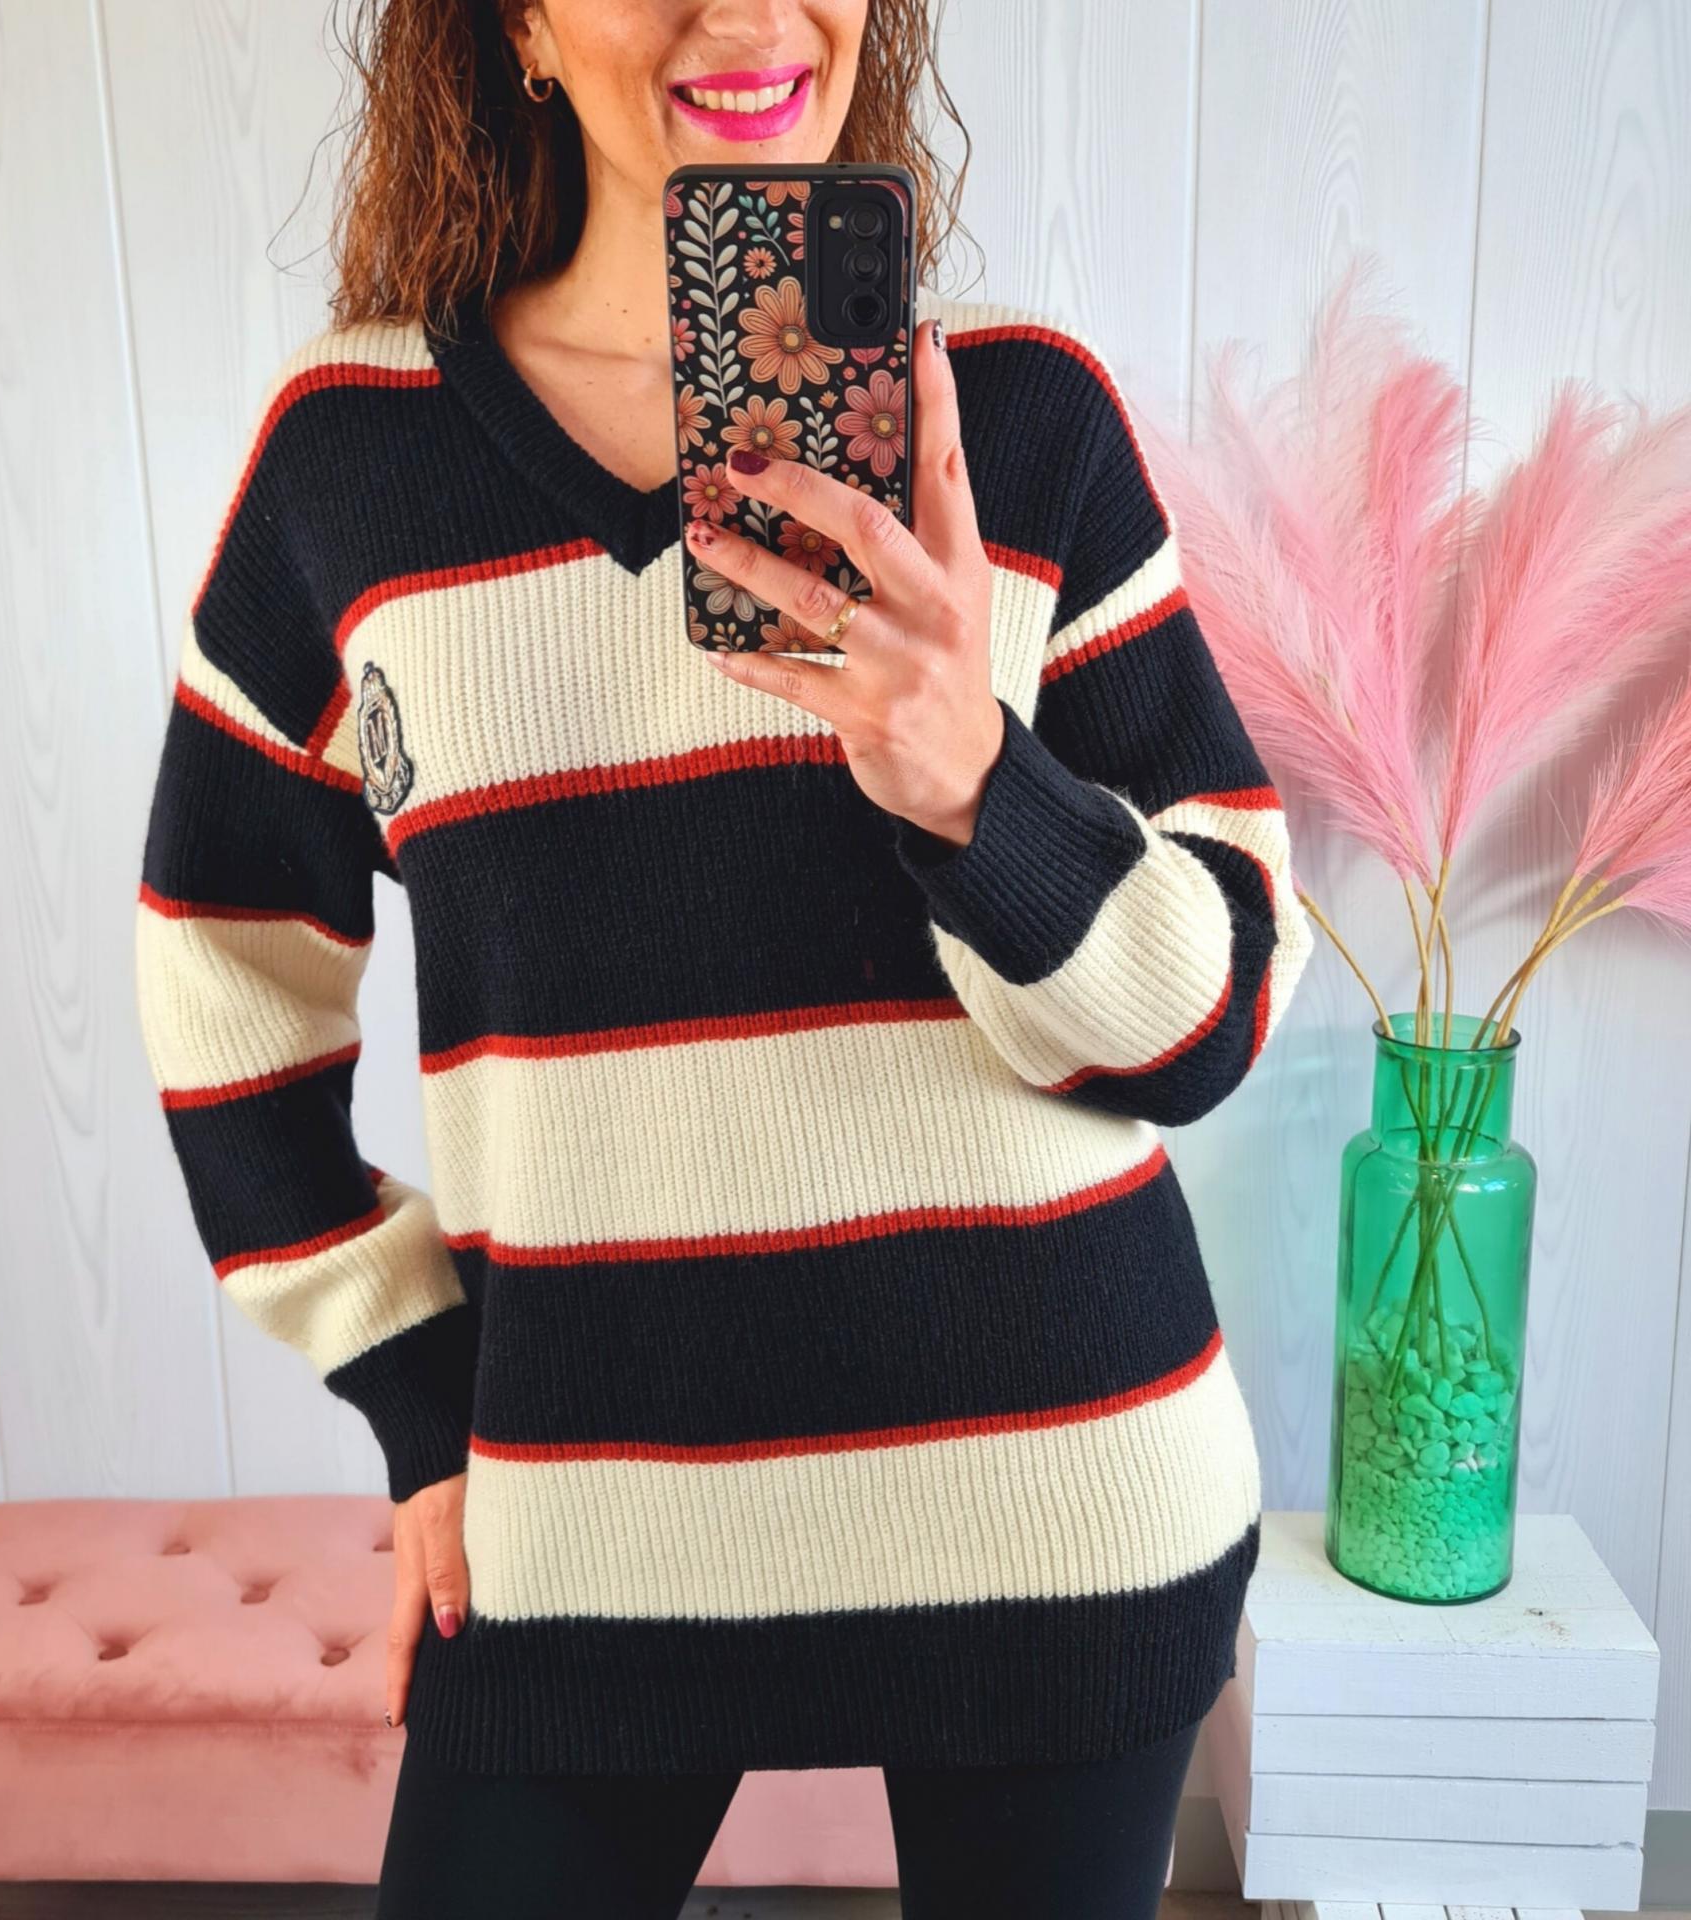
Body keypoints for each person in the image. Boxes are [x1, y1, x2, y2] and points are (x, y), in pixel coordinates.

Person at [131, 0, 1315, 1912]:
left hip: (1059, 1502)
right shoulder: (349, 466)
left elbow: (1218, 1014)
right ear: (519, 24)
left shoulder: (1025, 426)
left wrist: (976, 787)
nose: (752, 15)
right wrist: (417, 1395)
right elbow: (224, 981)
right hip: (585, 1519)